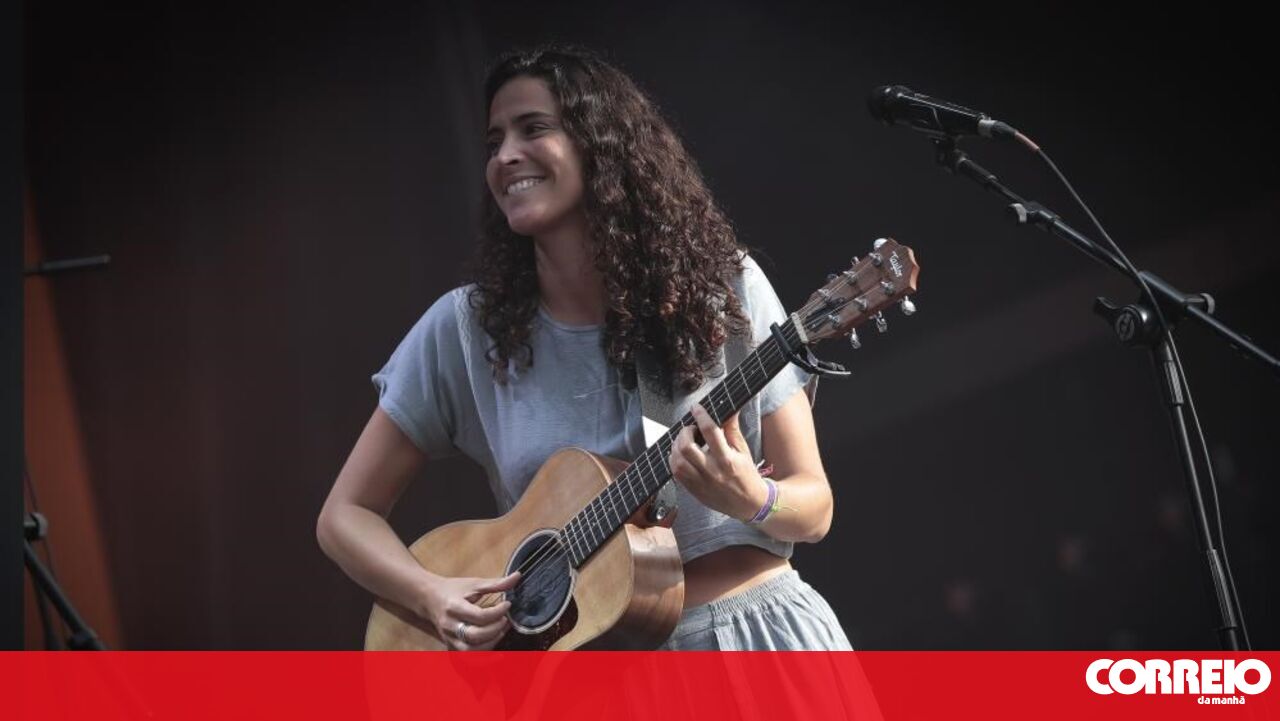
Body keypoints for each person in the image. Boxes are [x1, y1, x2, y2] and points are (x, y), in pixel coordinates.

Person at [316, 45, 851, 651]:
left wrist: (754, 499)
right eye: (494, 141)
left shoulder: (720, 287)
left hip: (756, 641)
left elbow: (815, 510)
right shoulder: (466, 329)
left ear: (601, 145)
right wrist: (431, 595)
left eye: (533, 128)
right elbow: (344, 516)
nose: (505, 156)